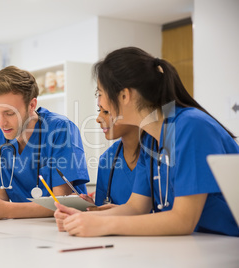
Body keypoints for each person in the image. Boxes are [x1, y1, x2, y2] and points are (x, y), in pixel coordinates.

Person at [54, 47, 239, 237]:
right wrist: (84, 218)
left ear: (125, 96)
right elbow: (136, 207)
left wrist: (104, 226)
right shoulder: (151, 138)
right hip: (200, 242)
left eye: (100, 93)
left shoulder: (190, 126)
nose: (99, 103)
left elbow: (183, 220)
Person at [0, 66, 89, 220]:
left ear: (32, 105)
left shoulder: (60, 129)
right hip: (16, 227)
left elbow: (62, 203)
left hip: (59, 226)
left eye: (10, 113)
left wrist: (7, 211)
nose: (2, 122)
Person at [82, 89, 140, 210]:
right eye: (99, 110)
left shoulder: (158, 153)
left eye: (106, 111)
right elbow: (102, 210)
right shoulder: (107, 159)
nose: (98, 118)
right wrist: (92, 208)